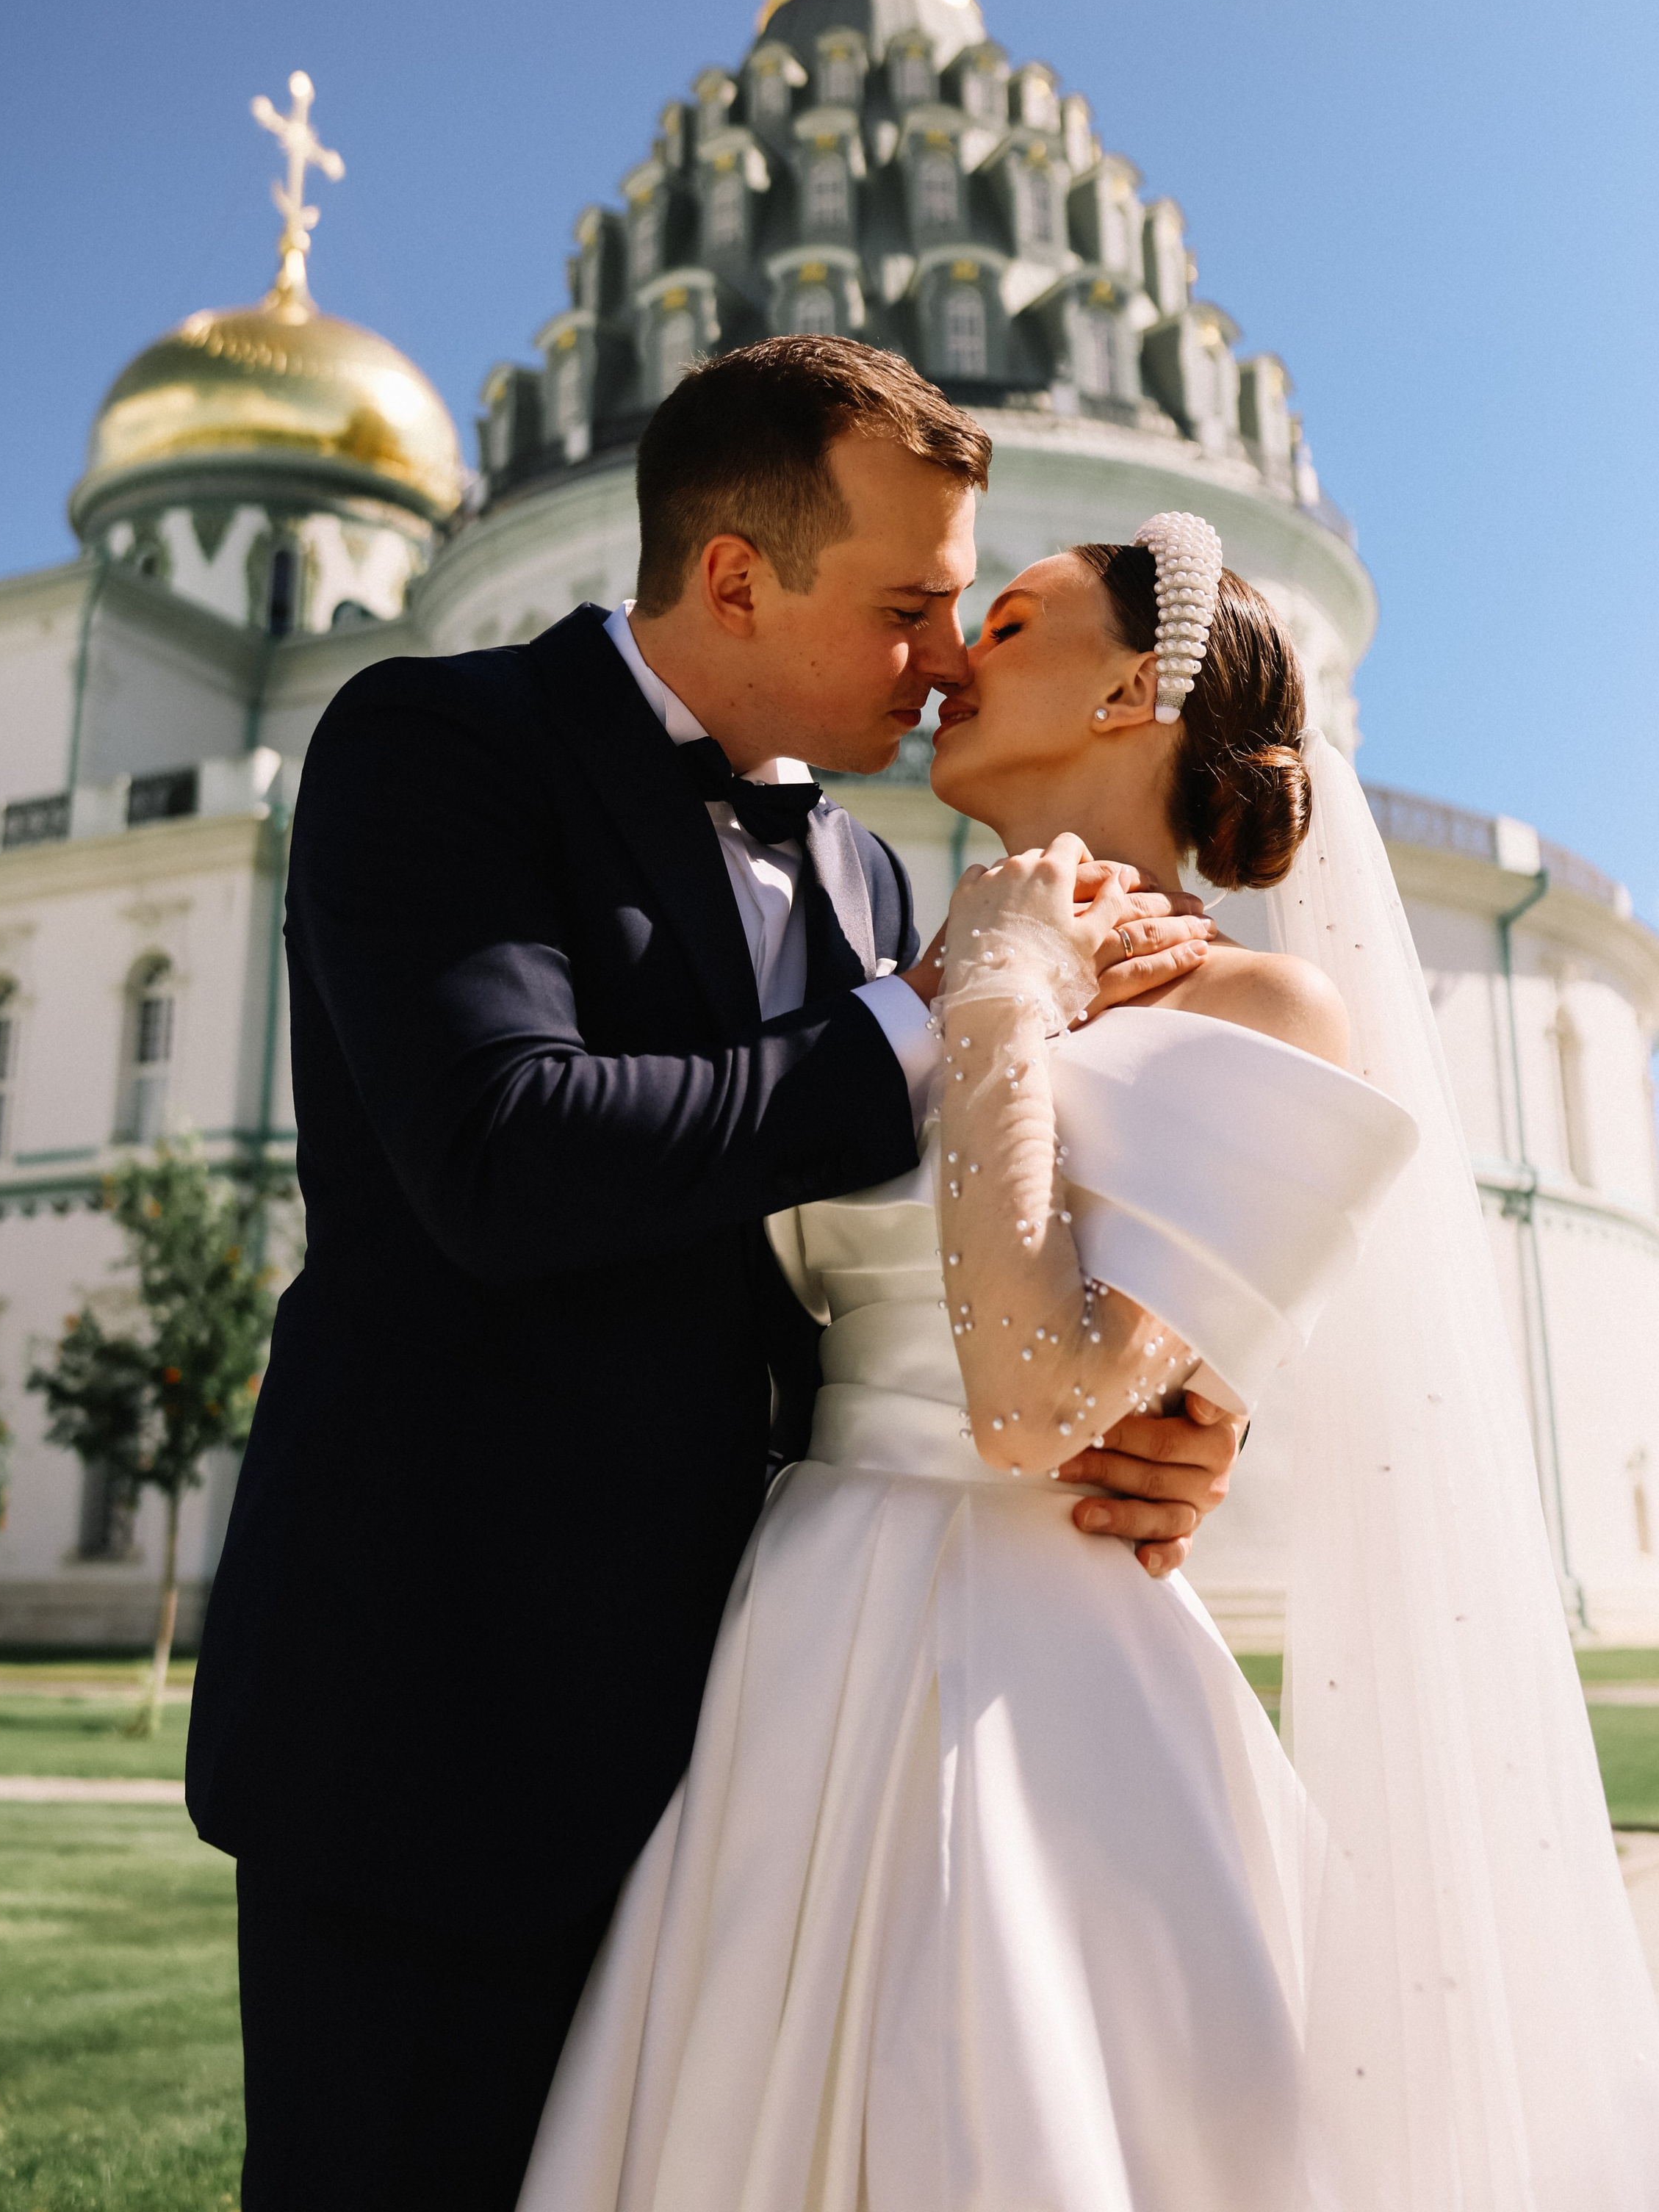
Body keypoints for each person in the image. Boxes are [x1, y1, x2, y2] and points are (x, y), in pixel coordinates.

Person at [184, 339, 1224, 2211]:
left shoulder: (870, 879)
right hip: (439, 1711)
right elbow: (504, 1154)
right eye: (904, 606)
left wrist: (1149, 1410)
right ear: (735, 576)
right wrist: (922, 1017)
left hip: (757, 1743)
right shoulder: (435, 744)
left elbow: (907, 1268)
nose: (941, 659)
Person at [518, 518, 1659, 2211]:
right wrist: (974, 987)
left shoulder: (1259, 1008)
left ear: (1133, 687)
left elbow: (1031, 1405)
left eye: (1007, 621)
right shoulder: (893, 982)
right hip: (792, 1632)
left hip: (1034, 1666)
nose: (947, 659)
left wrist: (998, 1005)